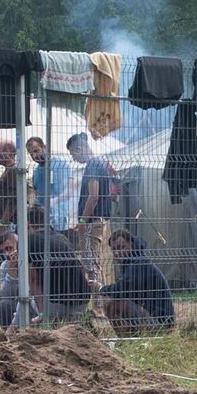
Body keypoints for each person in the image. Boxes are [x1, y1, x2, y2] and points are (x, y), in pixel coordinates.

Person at [25, 204, 95, 324]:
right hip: (82, 300)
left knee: (23, 301)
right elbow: (80, 268)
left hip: (56, 304)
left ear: (27, 223)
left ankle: (12, 333)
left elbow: (33, 280)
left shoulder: (29, 240)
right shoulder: (61, 237)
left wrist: (43, 314)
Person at [98, 228, 176, 332]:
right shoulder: (132, 261)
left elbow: (123, 289)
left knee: (117, 303)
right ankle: (128, 338)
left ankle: (133, 337)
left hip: (162, 323)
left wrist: (100, 288)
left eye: (121, 247)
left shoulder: (138, 262)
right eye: (114, 249)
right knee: (112, 302)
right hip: (152, 315)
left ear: (131, 244)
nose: (117, 252)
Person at [69, 132, 120, 281]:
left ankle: (99, 303)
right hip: (100, 220)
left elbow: (93, 196)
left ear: (79, 149)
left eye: (73, 154)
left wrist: (83, 221)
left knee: (91, 266)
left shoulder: (93, 165)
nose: (73, 158)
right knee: (95, 264)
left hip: (92, 222)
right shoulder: (101, 163)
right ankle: (102, 301)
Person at [0, 140, 23, 231]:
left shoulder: (13, 171)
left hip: (8, 226)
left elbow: (14, 199)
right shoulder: (9, 171)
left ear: (7, 152)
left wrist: (3, 224)